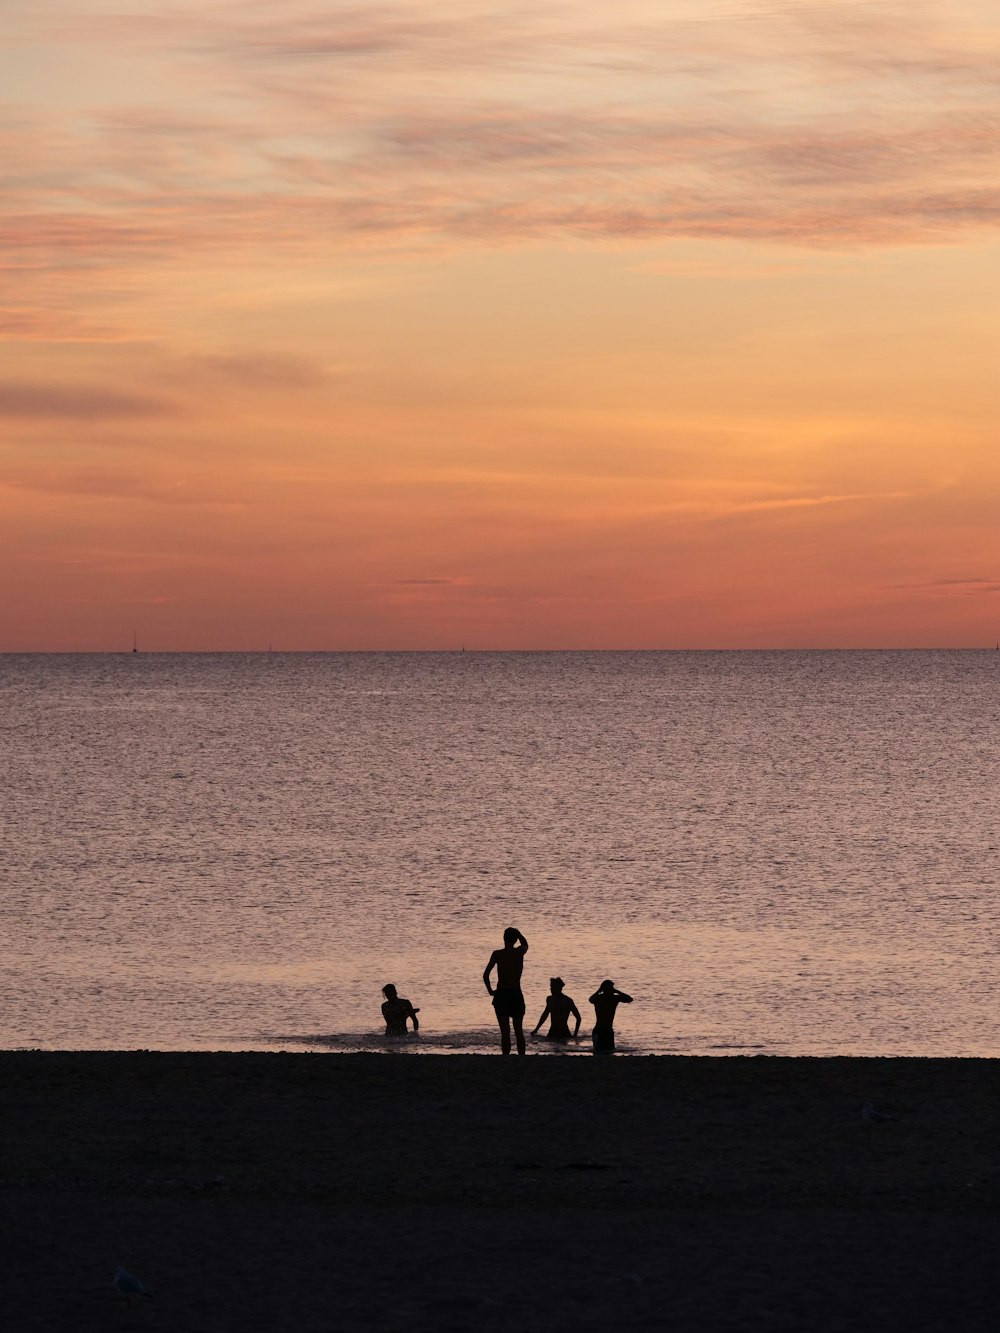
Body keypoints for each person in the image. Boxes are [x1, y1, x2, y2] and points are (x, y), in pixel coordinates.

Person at [483, 927, 529, 1055]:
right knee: (518, 1030)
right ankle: (522, 1057)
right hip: (515, 992)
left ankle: (506, 1057)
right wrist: (519, 933)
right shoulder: (519, 952)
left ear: (504, 939)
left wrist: (491, 991)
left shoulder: (497, 954)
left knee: (505, 1032)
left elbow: (486, 975)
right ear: (515, 940)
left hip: (502, 994)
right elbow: (525, 944)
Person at [588, 979, 633, 1053]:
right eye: (610, 988)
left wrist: (617, 991)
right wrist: (600, 991)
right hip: (599, 1030)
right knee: (599, 1051)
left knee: (609, 1051)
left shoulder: (614, 998)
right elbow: (590, 1000)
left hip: (608, 1030)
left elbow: (630, 999)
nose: (611, 990)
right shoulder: (601, 998)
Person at [531, 977, 581, 1042]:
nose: (550, 989)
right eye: (550, 987)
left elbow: (578, 1018)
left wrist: (575, 1035)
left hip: (564, 1032)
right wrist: (536, 1030)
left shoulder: (567, 1001)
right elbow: (545, 1015)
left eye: (552, 987)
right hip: (552, 1031)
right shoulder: (549, 999)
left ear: (559, 988)